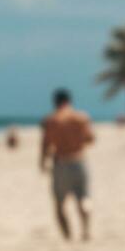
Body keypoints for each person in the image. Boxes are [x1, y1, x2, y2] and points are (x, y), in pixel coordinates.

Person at [40, 88, 95, 241]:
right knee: (84, 197)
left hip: (60, 163)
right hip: (79, 160)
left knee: (59, 203)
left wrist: (42, 163)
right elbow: (90, 139)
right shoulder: (81, 118)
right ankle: (86, 230)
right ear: (69, 101)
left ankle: (68, 236)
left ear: (54, 102)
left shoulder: (50, 120)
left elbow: (45, 145)